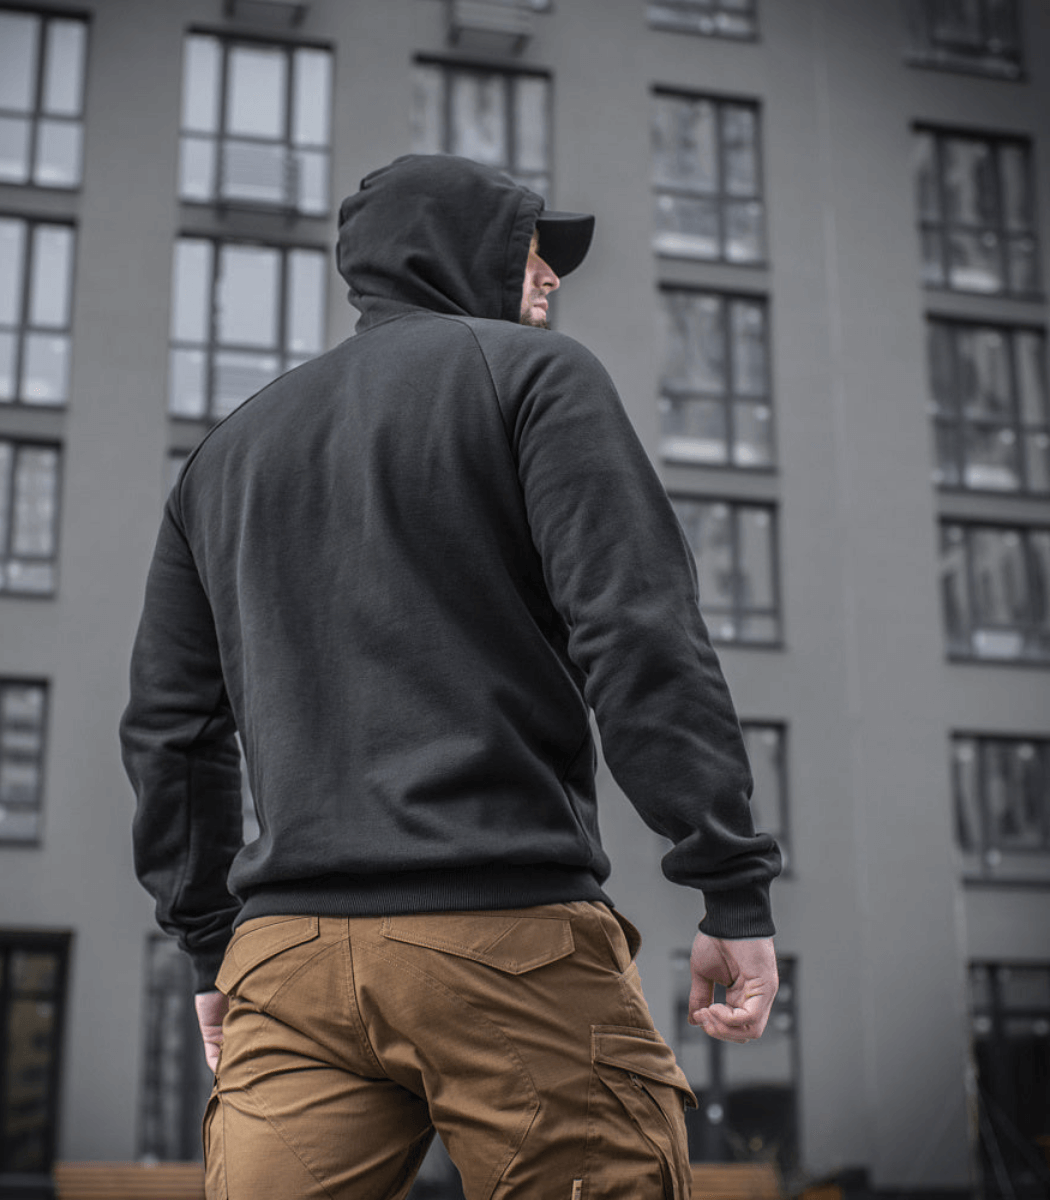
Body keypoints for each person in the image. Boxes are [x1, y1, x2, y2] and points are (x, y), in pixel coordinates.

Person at [120, 153, 782, 1199]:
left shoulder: (224, 455)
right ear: (453, 251)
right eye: (532, 249)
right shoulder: (535, 377)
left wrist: (209, 948)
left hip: (286, 971)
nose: (551, 276)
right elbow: (638, 630)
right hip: (504, 937)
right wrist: (729, 884)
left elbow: (172, 731)